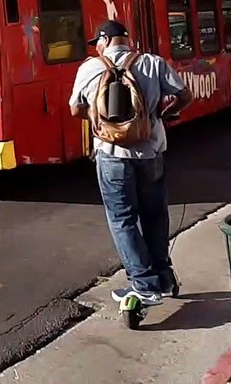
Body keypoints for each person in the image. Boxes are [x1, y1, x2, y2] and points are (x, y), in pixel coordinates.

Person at [69, 20, 194, 306]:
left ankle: (143, 283)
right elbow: (184, 95)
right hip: (151, 152)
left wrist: (98, 119)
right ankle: (163, 277)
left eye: (97, 42)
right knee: (155, 215)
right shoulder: (152, 63)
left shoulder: (90, 68)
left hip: (112, 155)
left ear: (103, 40)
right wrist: (163, 115)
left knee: (122, 219)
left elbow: (75, 108)